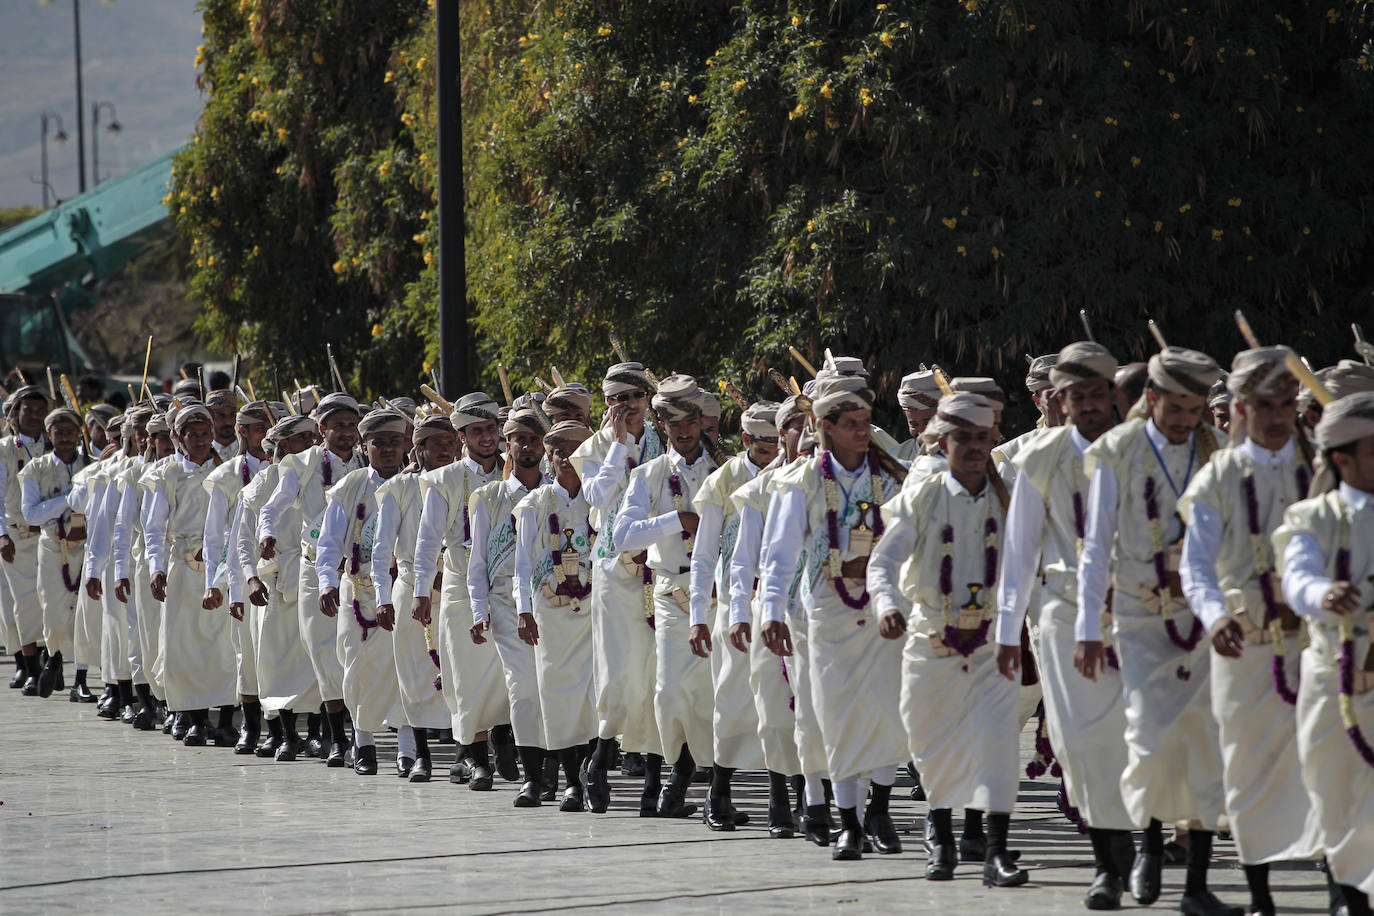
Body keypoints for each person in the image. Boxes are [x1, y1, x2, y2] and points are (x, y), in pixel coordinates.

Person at [1078, 346, 1233, 914]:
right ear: (1151, 398)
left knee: (1205, 742)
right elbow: (1096, 546)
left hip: (1205, 619)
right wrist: (1087, 625)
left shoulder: (1216, 450)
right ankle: (1144, 847)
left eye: (1196, 409)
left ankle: (1196, 881)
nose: (1186, 420)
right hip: (1140, 617)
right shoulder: (1118, 451)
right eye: (1176, 407)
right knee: (1147, 733)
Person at [1178, 347, 1327, 916]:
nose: (1277, 416)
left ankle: (1343, 889)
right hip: (1244, 644)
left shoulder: (1319, 467)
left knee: (1321, 760)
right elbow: (1196, 563)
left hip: (1315, 646)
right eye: (1264, 405)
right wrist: (1213, 615)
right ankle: (1259, 895)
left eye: (1287, 403)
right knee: (1244, 767)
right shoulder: (1218, 476)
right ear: (1240, 407)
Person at [994, 342, 1136, 907]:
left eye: (1097, 394)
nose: (1087, 405)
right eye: (1075, 395)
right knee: (1080, 741)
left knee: (1139, 735)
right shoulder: (1040, 457)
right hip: (1061, 610)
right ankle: (1108, 861)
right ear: (1058, 399)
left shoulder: (1139, 451)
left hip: (1138, 608)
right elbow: (1020, 548)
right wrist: (1009, 631)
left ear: (1112, 395)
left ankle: (1143, 842)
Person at [870, 392, 1026, 887]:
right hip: (931, 639)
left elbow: (1028, 572)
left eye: (983, 438)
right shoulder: (924, 494)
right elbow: (883, 563)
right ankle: (940, 838)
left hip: (992, 645)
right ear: (943, 441)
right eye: (964, 438)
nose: (976, 447)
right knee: (933, 742)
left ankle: (995, 851)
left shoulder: (1011, 497)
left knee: (998, 744)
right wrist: (888, 605)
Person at [759, 370, 906, 861]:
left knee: (887, 709)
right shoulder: (800, 480)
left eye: (867, 420)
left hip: (886, 607)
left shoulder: (890, 476)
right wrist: (771, 611)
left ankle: (880, 809)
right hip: (823, 610)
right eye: (851, 422)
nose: (863, 430)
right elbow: (778, 554)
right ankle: (848, 823)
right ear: (825, 427)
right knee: (837, 713)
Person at [1275, 390, 1374, 916]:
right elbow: (1297, 577)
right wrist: (1323, 595)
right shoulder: (1311, 516)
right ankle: (1346, 893)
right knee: (1334, 787)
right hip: (1333, 673)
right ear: (1342, 459)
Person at [614, 375, 720, 821]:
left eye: (691, 420)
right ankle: (673, 773)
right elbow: (621, 536)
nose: (683, 431)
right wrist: (677, 520)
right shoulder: (649, 475)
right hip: (670, 589)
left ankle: (709, 786)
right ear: (661, 424)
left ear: (703, 421)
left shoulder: (724, 471)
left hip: (718, 590)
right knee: (670, 689)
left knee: (715, 691)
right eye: (673, 423)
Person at [570, 362, 664, 814]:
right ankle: (601, 757)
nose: (624, 406)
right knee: (619, 671)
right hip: (615, 570)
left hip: (663, 568)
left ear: (646, 399)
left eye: (632, 397)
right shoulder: (594, 447)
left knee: (656, 672)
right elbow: (596, 498)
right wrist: (619, 446)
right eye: (614, 399)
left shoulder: (667, 440)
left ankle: (654, 780)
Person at [411, 391, 511, 788]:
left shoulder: (514, 471)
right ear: (462, 437)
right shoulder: (444, 479)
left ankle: (505, 742)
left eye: (491, 429)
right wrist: (421, 591)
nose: (486, 437)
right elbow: (427, 539)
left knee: (506, 673)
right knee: (467, 673)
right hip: (458, 581)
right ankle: (476, 756)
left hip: (505, 585)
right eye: (476, 431)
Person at [688, 400, 779, 830]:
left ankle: (787, 799)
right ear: (745, 441)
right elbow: (705, 556)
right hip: (735, 606)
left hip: (783, 607)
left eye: (780, 442)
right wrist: (697, 616)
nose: (774, 451)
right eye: (765, 445)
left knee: (782, 704)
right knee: (734, 701)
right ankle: (719, 792)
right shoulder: (722, 481)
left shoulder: (795, 475)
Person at [258, 392, 362, 766]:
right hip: (314, 568)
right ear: (322, 429)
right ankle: (337, 739)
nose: (347, 433)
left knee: (356, 652)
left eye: (352, 426)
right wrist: (266, 534)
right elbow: (273, 506)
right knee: (322, 651)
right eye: (339, 426)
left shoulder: (370, 464)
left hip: (359, 572)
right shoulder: (301, 464)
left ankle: (359, 736)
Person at [726, 396, 814, 838]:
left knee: (817, 709)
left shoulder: (834, 479)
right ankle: (780, 797)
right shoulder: (764, 487)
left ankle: (813, 800)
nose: (811, 430)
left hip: (821, 611)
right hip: (770, 611)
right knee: (774, 708)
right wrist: (740, 611)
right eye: (800, 424)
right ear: (782, 434)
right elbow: (742, 560)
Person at [316, 409, 410, 776]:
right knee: (355, 668)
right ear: (364, 445)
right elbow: (327, 544)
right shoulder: (351, 486)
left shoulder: (418, 483)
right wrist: (326, 581)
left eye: (394, 442)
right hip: (357, 591)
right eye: (379, 443)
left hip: (402, 590)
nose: (387, 449)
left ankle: (406, 746)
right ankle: (364, 742)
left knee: (404, 667)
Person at [468, 408, 552, 806]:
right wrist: (478, 611)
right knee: (522, 688)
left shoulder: (558, 493)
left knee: (556, 685)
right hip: (506, 606)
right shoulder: (487, 498)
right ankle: (532, 776)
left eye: (534, 439)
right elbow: (478, 563)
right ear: (508, 444)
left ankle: (562, 769)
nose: (527, 445)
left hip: (558, 602)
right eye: (519, 438)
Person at [513, 419, 598, 812]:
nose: (566, 457)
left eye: (575, 449)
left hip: (595, 608)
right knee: (557, 695)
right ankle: (570, 784)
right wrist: (524, 610)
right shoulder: (535, 504)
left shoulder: (600, 499)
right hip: (550, 611)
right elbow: (523, 564)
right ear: (548, 456)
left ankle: (592, 775)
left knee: (593, 695)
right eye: (559, 450)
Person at [373, 413, 459, 781]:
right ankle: (418, 753)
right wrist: (382, 596)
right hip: (412, 589)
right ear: (419, 448)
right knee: (414, 674)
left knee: (460, 673)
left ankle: (466, 753)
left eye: (449, 442)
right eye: (434, 443)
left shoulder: (465, 480)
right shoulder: (400, 489)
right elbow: (381, 549)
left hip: (456, 586)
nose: (444, 449)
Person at [144, 404, 235, 747]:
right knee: (184, 644)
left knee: (224, 644)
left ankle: (226, 720)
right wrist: (157, 568)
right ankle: (196, 719)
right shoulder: (165, 473)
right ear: (177, 437)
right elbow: (154, 527)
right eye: (191, 434)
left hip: (221, 566)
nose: (199, 440)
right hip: (182, 566)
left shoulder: (229, 470)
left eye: (205, 433)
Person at [238, 414, 323, 760]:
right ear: (284, 445)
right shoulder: (260, 486)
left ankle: (317, 734)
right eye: (303, 439)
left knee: (314, 658)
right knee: (277, 663)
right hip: (273, 583)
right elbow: (241, 541)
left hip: (312, 577)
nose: (312, 444)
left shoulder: (319, 474)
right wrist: (250, 578)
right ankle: (286, 734)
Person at [201, 401, 273, 754]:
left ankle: (285, 729)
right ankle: (250, 727)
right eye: (262, 428)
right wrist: (213, 585)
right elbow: (214, 537)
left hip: (282, 573)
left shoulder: (292, 470)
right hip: (239, 573)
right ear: (242, 431)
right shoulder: (226, 475)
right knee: (246, 653)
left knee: (280, 652)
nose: (269, 435)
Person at [19, 407, 92, 698]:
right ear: (49, 434)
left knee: (86, 612)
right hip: (52, 547)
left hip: (86, 546)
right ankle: (54, 657)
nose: (64, 437)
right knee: (53, 609)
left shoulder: (92, 464)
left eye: (70, 431)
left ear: (78, 433)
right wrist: (68, 500)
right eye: (58, 432)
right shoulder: (35, 469)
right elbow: (31, 514)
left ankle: (82, 678)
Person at [0, 386, 51, 694]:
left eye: (39, 411)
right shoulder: (6, 448)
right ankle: (30, 666)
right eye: (27, 411)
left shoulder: (56, 443)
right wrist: (2, 534)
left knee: (51, 601)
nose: (34, 416)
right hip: (16, 536)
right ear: (15, 415)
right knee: (24, 603)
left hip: (52, 538)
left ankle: (50, 662)